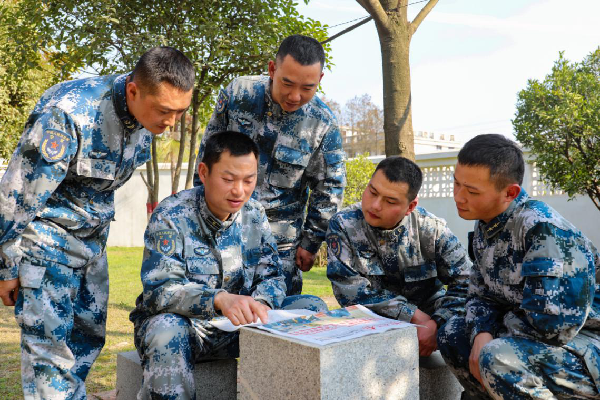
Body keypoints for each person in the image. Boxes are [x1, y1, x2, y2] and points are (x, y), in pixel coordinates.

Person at [0, 46, 195, 399]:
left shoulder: (144, 120)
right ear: (134, 90)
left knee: (86, 344)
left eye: (180, 112)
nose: (171, 122)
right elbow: (16, 195)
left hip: (92, 249)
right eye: (165, 110)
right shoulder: (70, 113)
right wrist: (6, 266)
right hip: (45, 247)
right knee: (50, 362)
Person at [130, 130, 327, 399]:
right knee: (166, 329)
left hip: (241, 328)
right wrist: (220, 299)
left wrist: (261, 305)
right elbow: (161, 289)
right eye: (228, 179)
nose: (239, 190)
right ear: (203, 172)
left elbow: (272, 276)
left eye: (249, 180)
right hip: (190, 329)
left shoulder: (254, 213)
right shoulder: (173, 215)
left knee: (313, 308)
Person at [438, 134, 600, 399]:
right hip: (531, 337)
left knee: (496, 356)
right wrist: (482, 332)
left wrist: (491, 334)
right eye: (456, 183)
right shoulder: (488, 223)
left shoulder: (544, 231)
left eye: (472, 191)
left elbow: (555, 327)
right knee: (452, 334)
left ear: (509, 193)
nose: (458, 197)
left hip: (584, 344)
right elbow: (480, 294)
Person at [193, 34, 346, 296]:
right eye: (287, 83)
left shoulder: (323, 124)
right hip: (221, 228)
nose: (295, 96)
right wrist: (199, 215)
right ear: (272, 69)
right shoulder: (238, 94)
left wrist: (310, 243)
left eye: (307, 88)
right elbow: (208, 155)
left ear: (319, 80)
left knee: (274, 323)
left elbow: (329, 188)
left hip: (280, 245)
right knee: (216, 314)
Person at [326, 156, 471, 357]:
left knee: (467, 328)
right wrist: (414, 316)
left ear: (410, 206)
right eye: (372, 192)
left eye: (390, 201)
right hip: (371, 319)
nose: (375, 205)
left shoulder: (431, 230)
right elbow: (349, 291)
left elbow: (467, 283)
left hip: (430, 315)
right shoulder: (344, 225)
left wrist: (437, 322)